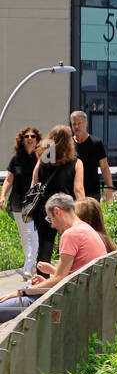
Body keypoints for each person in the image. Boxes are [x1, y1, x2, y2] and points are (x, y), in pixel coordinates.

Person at [0, 193, 108, 322]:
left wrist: (22, 291)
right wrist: (45, 282)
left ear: (57, 211)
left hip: (67, 299)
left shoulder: (71, 234)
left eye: (50, 219)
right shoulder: (86, 229)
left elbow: (58, 280)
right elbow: (65, 276)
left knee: (5, 307)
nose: (52, 225)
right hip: (84, 293)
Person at [29, 125, 85, 265]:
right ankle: (64, 280)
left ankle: (41, 283)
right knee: (68, 248)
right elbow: (78, 190)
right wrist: (83, 211)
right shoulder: (76, 163)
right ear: (68, 142)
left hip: (44, 211)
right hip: (66, 211)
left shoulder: (42, 161)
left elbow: (33, 186)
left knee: (44, 248)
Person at [2, 126, 41, 279]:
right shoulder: (16, 159)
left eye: (33, 136)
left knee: (32, 234)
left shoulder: (41, 157)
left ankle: (27, 267)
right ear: (22, 140)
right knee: (25, 236)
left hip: (35, 201)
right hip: (18, 201)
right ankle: (31, 266)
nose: (30, 138)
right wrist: (2, 195)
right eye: (26, 136)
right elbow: (8, 179)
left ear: (37, 139)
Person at [70, 111, 113, 204]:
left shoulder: (96, 143)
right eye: (74, 124)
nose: (76, 127)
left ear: (86, 123)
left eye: (79, 123)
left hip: (92, 192)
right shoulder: (68, 144)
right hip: (72, 192)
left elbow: (104, 167)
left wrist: (109, 187)